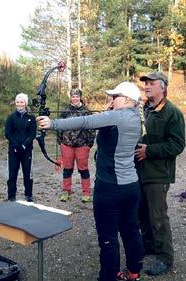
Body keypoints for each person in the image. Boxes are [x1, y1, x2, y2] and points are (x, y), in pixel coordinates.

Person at [37, 82, 144, 281]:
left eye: (115, 96)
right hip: (131, 186)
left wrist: (52, 124)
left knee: (108, 237)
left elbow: (85, 122)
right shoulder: (135, 117)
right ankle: (134, 272)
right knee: (130, 230)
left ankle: (108, 277)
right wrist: (111, 109)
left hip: (109, 189)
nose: (111, 100)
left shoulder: (118, 116)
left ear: (129, 100)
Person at [135, 71, 185, 276]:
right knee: (142, 213)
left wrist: (150, 150)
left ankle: (165, 258)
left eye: (151, 83)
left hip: (158, 173)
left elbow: (178, 145)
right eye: (145, 84)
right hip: (141, 171)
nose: (146, 87)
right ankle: (149, 246)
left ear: (162, 87)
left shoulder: (172, 112)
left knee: (158, 217)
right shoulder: (146, 108)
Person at [57, 88, 96, 203]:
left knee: (83, 169)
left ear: (80, 97)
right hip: (66, 144)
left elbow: (92, 128)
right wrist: (60, 141)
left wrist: (89, 144)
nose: (75, 98)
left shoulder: (87, 111)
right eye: (73, 96)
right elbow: (59, 126)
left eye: (77, 96)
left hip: (82, 145)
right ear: (70, 97)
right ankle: (66, 191)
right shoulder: (65, 111)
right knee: (67, 169)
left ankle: (86, 192)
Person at [4, 93, 37, 202]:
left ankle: (28, 195)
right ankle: (11, 196)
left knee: (28, 173)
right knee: (12, 174)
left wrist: (24, 145)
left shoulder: (31, 118)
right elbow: (8, 134)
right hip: (13, 150)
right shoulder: (11, 117)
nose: (19, 104)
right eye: (17, 102)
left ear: (25, 103)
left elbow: (32, 134)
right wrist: (16, 145)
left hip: (27, 150)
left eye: (22, 102)